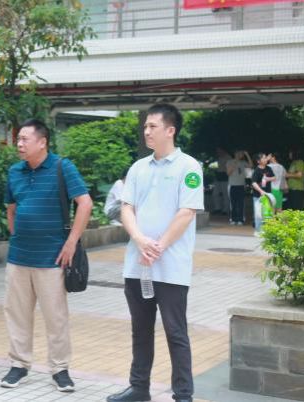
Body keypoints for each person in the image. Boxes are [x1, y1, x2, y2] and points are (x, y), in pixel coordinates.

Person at [107, 104, 204, 402]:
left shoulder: (189, 167)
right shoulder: (138, 167)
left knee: (176, 332)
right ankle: (139, 388)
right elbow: (126, 208)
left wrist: (157, 246)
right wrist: (140, 240)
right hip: (137, 265)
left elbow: (187, 212)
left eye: (152, 126)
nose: (146, 131)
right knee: (140, 330)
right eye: (145, 126)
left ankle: (183, 394)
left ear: (170, 130)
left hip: (171, 267)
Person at [1, 119, 93, 393]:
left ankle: (60, 369)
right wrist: (16, 235)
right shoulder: (15, 171)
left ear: (42, 142)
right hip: (18, 257)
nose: (19, 144)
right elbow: (11, 208)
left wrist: (71, 242)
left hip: (53, 258)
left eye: (25, 139)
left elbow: (85, 203)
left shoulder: (62, 167)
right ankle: (19, 365)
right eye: (18, 139)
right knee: (17, 314)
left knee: (56, 317)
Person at [251, 152, 275, 235]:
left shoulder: (269, 168)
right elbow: (254, 183)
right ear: (258, 161)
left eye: (265, 158)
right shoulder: (256, 171)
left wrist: (268, 179)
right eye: (264, 158)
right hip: (258, 195)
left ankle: (266, 230)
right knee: (258, 214)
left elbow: (274, 177)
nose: (266, 159)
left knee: (267, 213)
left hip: (267, 195)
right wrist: (260, 191)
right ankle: (258, 231)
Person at [226, 150, 252, 225]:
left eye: (241, 154)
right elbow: (228, 173)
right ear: (235, 154)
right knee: (233, 203)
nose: (240, 155)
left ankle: (240, 219)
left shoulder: (243, 163)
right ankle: (233, 219)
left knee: (241, 203)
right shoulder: (229, 162)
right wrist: (236, 162)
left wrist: (247, 155)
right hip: (232, 185)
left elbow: (251, 166)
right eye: (239, 154)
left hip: (241, 185)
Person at [211, 147, 231, 215]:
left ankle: (226, 209)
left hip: (225, 177)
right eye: (217, 151)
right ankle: (217, 208)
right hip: (218, 176)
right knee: (215, 193)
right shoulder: (218, 158)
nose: (218, 152)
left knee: (226, 194)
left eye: (219, 150)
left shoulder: (228, 158)